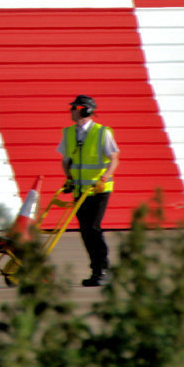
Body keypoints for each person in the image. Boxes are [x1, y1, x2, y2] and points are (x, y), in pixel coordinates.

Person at [58, 93, 119, 287]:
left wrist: (105, 177)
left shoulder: (102, 133)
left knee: (93, 228)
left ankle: (103, 268)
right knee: (85, 231)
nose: (70, 111)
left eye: (74, 108)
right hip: (79, 189)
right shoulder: (69, 133)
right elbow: (66, 159)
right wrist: (68, 177)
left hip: (98, 190)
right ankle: (96, 270)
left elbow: (114, 158)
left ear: (85, 110)